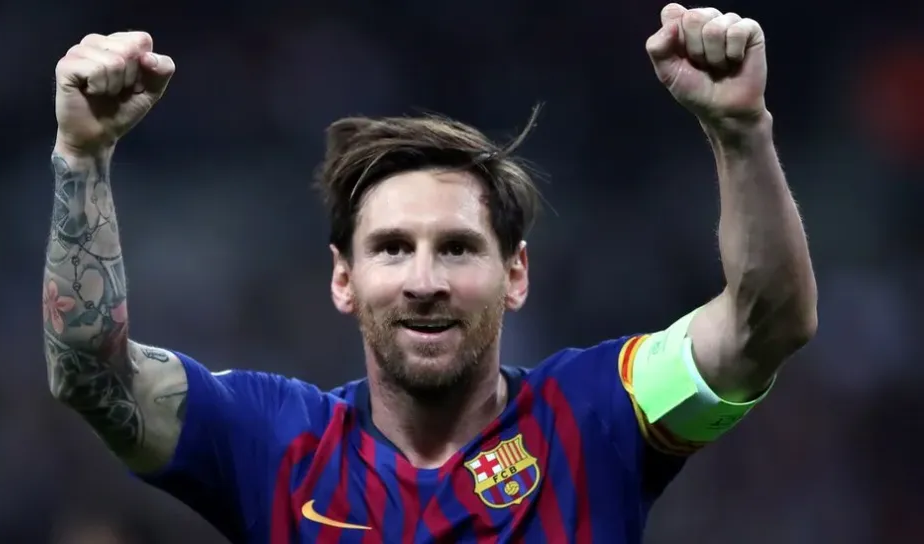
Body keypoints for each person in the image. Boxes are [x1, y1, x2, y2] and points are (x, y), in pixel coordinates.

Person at [42, 4, 817, 543]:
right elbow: (91, 374)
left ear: (516, 273)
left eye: (456, 248)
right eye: (391, 248)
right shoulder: (273, 442)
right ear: (343, 280)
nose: (424, 280)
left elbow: (766, 326)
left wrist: (740, 128)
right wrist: (82, 156)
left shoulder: (596, 412)